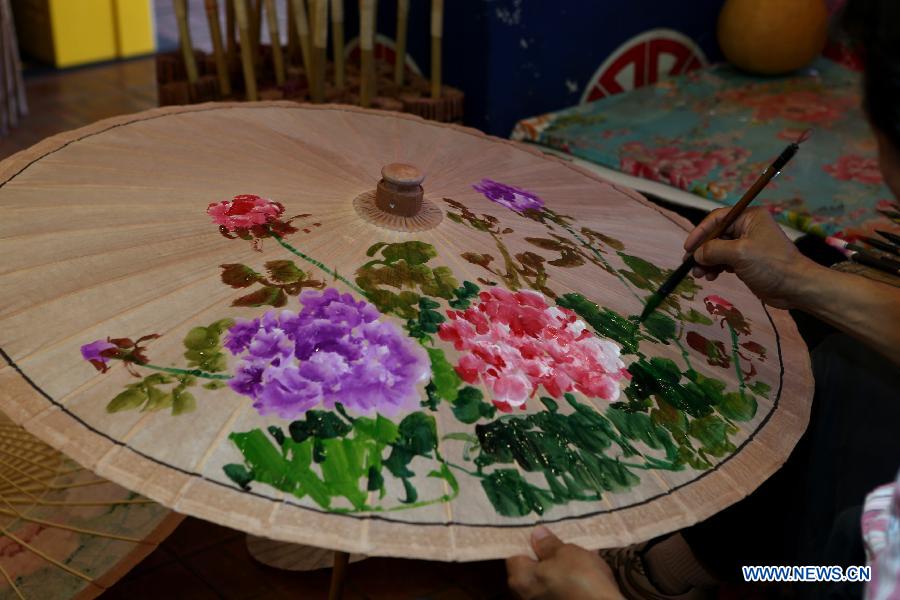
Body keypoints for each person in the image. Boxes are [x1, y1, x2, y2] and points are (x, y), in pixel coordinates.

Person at [506, 0, 900, 597]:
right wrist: (798, 278)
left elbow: (863, 572)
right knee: (835, 335)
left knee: (830, 551)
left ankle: (690, 572)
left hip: (840, 574)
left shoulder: (876, 550)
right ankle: (706, 563)